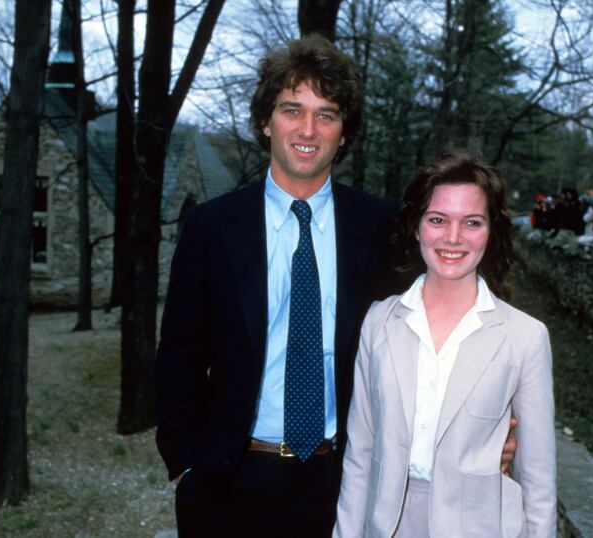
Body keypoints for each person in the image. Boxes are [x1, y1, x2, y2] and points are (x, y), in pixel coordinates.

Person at [154, 37, 516, 537]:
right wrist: (185, 463)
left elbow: (438, 330)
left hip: (344, 482)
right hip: (228, 482)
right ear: (266, 122)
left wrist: (489, 424)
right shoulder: (212, 228)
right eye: (292, 110)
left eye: (326, 115)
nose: (308, 130)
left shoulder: (380, 228)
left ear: (344, 133)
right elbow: (179, 356)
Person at [334, 151, 556, 537]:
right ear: (416, 227)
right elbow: (360, 454)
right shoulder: (379, 321)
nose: (453, 238)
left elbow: (539, 480)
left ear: (491, 231)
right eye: (437, 220)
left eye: (472, 222)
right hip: (387, 525)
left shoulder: (525, 337)